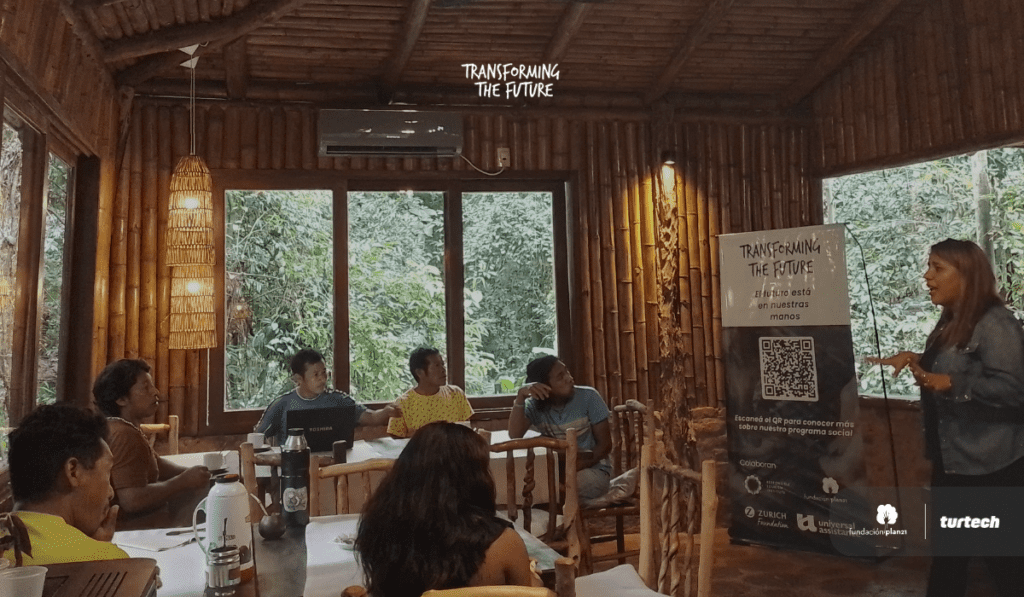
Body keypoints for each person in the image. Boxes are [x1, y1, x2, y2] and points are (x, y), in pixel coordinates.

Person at [869, 239, 1024, 597]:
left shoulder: (996, 323)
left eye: (937, 268)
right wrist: (915, 358)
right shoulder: (951, 320)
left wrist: (953, 383)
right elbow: (952, 365)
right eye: (929, 267)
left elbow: (1015, 389)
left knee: (1006, 566)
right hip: (954, 463)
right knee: (950, 559)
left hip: (991, 469)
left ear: (967, 275)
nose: (927, 276)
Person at [355, 422, 537, 597]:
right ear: (475, 479)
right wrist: (536, 582)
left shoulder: (378, 528)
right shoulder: (505, 543)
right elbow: (526, 592)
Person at [93, 359, 211, 530]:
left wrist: (197, 473)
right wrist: (183, 481)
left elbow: (157, 464)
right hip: (135, 531)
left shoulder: (119, 427)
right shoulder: (124, 434)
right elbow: (132, 500)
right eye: (145, 387)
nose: (155, 392)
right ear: (121, 399)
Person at [5, 404, 128, 565]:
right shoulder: (107, 561)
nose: (111, 492)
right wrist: (100, 552)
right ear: (73, 472)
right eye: (107, 472)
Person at [508, 355, 613, 501]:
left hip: (593, 470)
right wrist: (520, 397)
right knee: (528, 484)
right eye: (560, 376)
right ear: (545, 385)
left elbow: (605, 445)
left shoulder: (589, 397)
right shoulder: (535, 405)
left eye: (566, 371)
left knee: (557, 488)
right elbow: (514, 434)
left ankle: (558, 501)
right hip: (556, 472)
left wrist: (572, 468)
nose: (569, 378)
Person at [255, 348, 398, 446]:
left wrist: (386, 412)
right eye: (315, 374)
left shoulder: (338, 400)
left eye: (324, 372)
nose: (322, 379)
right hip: (295, 469)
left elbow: (370, 417)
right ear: (298, 379)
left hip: (333, 468)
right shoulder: (282, 404)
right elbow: (257, 437)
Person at [386, 347, 474, 438]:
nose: (443, 369)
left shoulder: (456, 393)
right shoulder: (403, 403)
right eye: (437, 366)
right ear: (419, 372)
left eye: (442, 364)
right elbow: (396, 439)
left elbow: (466, 431)